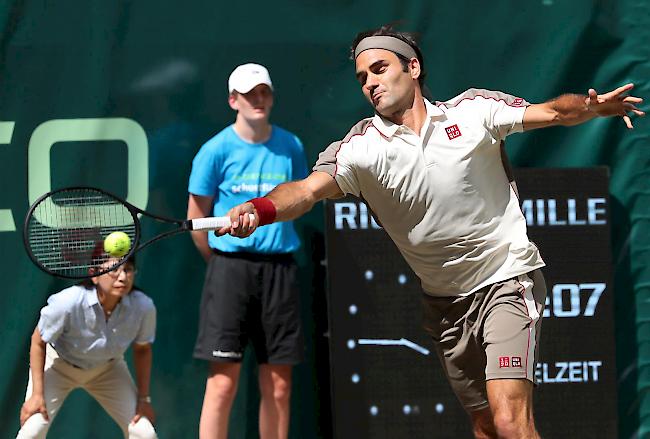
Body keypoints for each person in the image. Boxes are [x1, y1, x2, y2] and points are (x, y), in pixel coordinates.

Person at [220, 26, 644, 439]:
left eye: (380, 69)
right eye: (362, 77)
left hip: (507, 280)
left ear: (414, 68)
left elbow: (551, 111)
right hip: (445, 306)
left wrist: (590, 108)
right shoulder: (360, 149)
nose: (370, 83)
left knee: (511, 422)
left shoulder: (474, 111)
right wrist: (260, 209)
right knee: (486, 426)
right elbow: (307, 190)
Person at [187, 63, 308, 439]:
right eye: (249, 93)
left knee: (279, 386)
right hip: (229, 273)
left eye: (264, 92)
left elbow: (300, 201)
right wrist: (222, 260)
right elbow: (196, 217)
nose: (258, 100)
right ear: (232, 100)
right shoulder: (214, 150)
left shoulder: (291, 146)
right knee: (222, 384)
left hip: (280, 273)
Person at [16, 256, 158, 439]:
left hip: (108, 370)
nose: (122, 277)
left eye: (128, 270)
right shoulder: (67, 302)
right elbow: (38, 341)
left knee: (144, 432)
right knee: (33, 430)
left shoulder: (143, 306)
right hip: (58, 366)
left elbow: (142, 349)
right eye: (114, 270)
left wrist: (144, 399)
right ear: (94, 275)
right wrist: (37, 394)